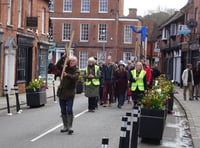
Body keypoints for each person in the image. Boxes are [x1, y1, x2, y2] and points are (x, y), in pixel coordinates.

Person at [56, 55, 80, 134]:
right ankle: (65, 126)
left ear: (76, 62)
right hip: (62, 92)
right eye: (71, 61)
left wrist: (67, 75)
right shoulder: (65, 68)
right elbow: (57, 65)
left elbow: (74, 78)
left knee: (69, 109)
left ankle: (70, 127)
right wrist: (63, 57)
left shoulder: (76, 70)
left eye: (73, 61)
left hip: (70, 93)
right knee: (63, 110)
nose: (72, 62)